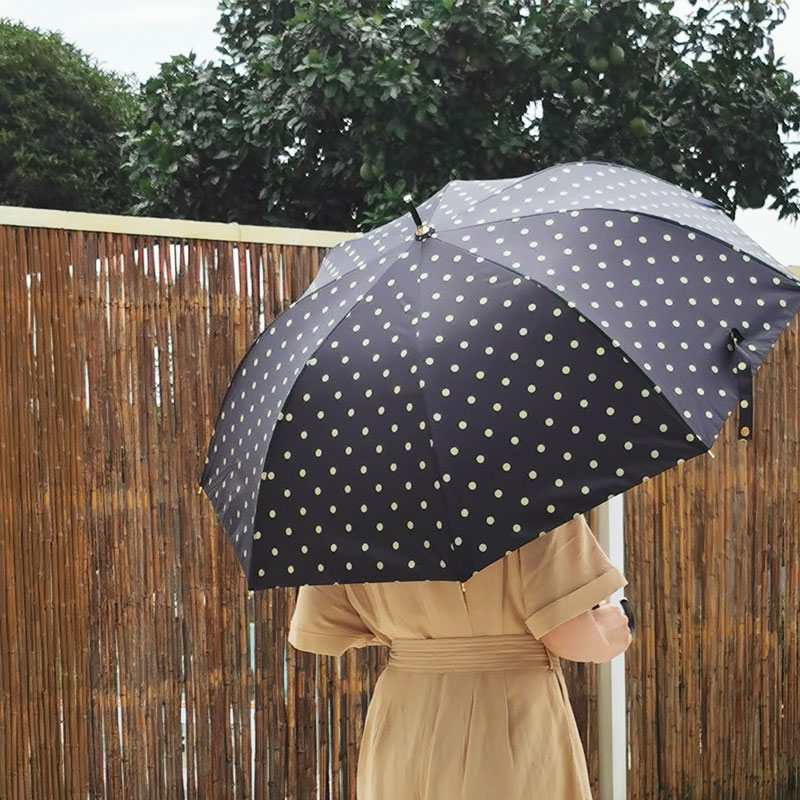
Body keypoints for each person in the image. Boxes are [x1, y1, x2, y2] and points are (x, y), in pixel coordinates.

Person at [288, 512, 633, 799]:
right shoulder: (528, 489)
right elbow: (570, 635)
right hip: (506, 717)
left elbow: (322, 626)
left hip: (402, 722)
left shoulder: (350, 505)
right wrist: (615, 626)